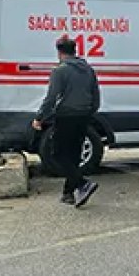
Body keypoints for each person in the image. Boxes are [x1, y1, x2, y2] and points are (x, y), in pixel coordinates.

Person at [32, 35, 101, 208]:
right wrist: (89, 112)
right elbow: (96, 96)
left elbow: (51, 98)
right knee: (74, 154)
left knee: (58, 154)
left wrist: (40, 118)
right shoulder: (88, 69)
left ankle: (82, 183)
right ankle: (68, 193)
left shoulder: (60, 71)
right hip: (84, 116)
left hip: (66, 116)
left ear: (59, 52)